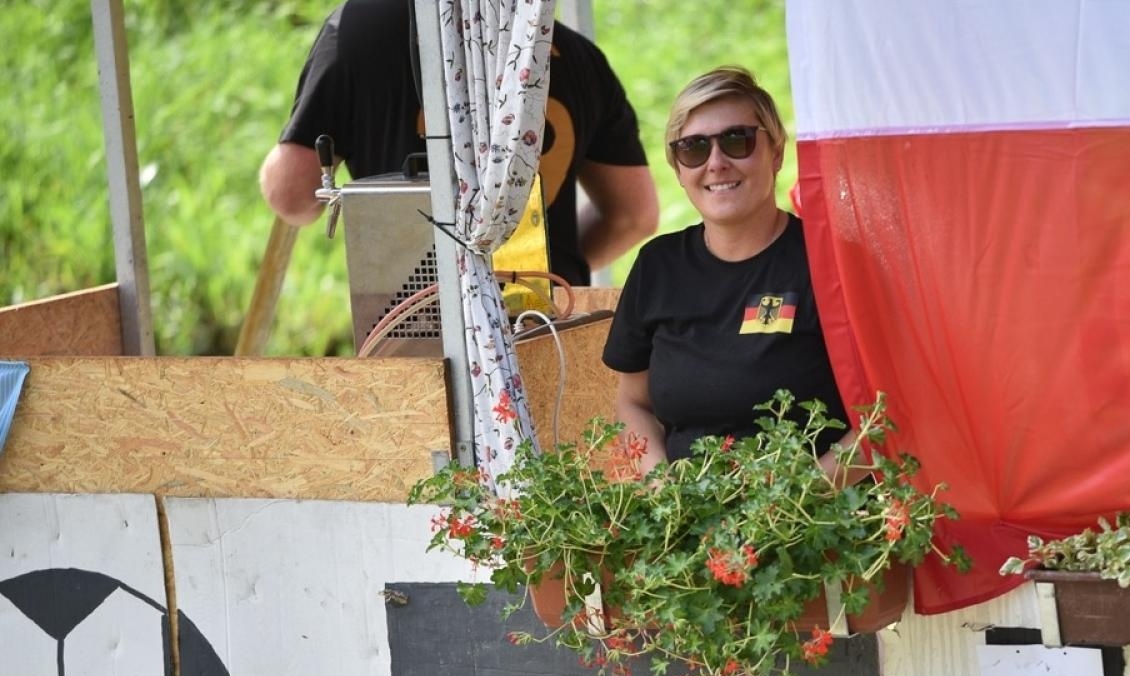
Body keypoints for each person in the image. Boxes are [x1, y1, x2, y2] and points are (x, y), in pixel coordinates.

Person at [258, 0, 657, 286]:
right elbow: (633, 215)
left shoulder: (357, 27)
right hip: (546, 322)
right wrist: (553, 269)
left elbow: (292, 194)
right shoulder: (574, 51)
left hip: (410, 321)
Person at [601, 67, 855, 480]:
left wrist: (796, 502)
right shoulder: (657, 266)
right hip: (688, 526)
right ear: (679, 170)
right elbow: (634, 404)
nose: (716, 163)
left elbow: (888, 414)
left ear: (775, 152)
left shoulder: (833, 263)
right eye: (694, 149)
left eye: (738, 140)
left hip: (812, 526)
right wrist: (665, 491)